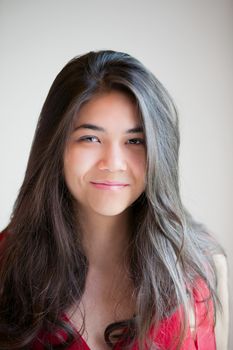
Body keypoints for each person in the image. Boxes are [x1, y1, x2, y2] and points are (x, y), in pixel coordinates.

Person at [0, 50, 229, 350]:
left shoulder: (202, 268)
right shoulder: (7, 267)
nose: (113, 162)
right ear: (56, 146)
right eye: (90, 138)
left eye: (135, 141)